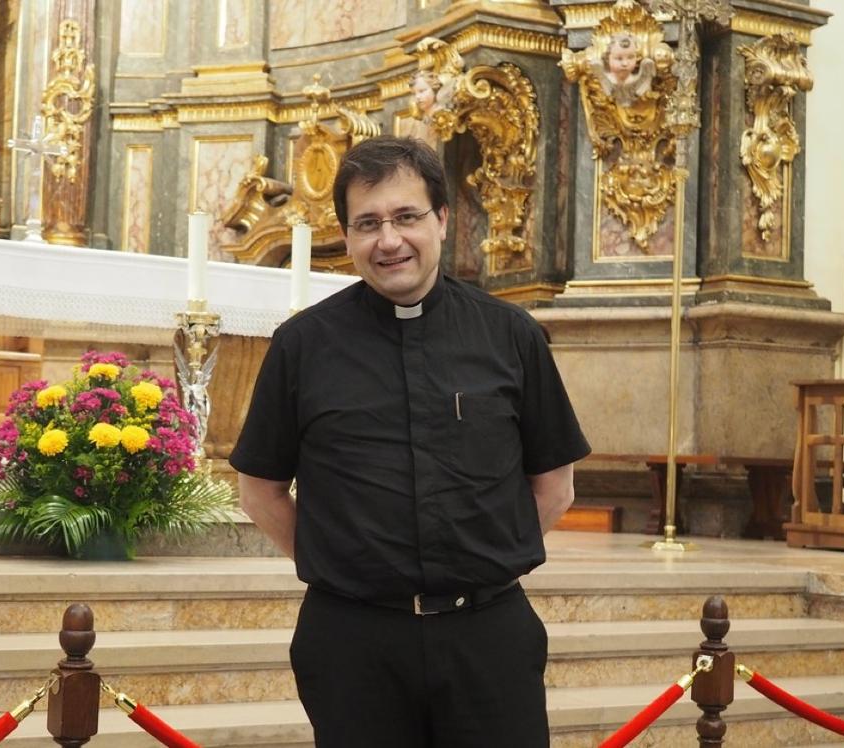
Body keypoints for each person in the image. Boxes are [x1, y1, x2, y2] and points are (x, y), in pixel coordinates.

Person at [230, 135, 591, 747]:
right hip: (353, 642)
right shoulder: (302, 346)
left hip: (488, 635)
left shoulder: (512, 336)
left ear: (442, 220)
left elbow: (554, 487)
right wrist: (342, 562)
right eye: (368, 223)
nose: (389, 240)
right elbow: (259, 490)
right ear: (347, 237)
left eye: (406, 216)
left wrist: (481, 558)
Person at [595, 32, 655, 107]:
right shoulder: (606, 78)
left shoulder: (636, 80)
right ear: (607, 58)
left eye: (630, 57)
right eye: (619, 58)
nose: (625, 63)